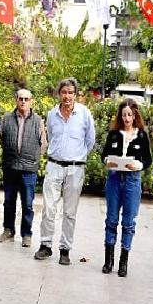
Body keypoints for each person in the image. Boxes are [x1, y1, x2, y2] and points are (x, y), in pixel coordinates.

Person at [35, 78, 95, 265]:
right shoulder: (52, 114)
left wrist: (77, 156)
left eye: (70, 92)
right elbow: (51, 137)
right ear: (59, 94)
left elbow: (90, 141)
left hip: (75, 169)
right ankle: (45, 245)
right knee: (48, 208)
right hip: (54, 166)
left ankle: (65, 249)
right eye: (64, 92)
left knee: (70, 212)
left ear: (75, 94)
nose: (67, 96)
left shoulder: (84, 114)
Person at [101, 100, 152, 277]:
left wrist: (138, 165)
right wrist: (108, 161)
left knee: (129, 222)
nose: (127, 118)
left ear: (135, 115)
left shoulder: (142, 136)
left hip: (132, 180)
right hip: (115, 178)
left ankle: (124, 261)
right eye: (124, 115)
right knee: (111, 219)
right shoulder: (114, 134)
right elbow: (104, 155)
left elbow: (148, 160)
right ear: (120, 116)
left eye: (130, 114)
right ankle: (108, 260)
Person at [0, 89, 47, 248]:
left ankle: (26, 234)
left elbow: (43, 144)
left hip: (28, 169)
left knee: (28, 204)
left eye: (26, 99)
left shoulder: (38, 121)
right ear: (16, 100)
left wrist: (31, 158)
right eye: (20, 99)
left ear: (31, 101)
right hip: (10, 166)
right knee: (9, 201)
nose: (23, 102)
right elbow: (2, 139)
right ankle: (8, 230)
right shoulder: (6, 118)